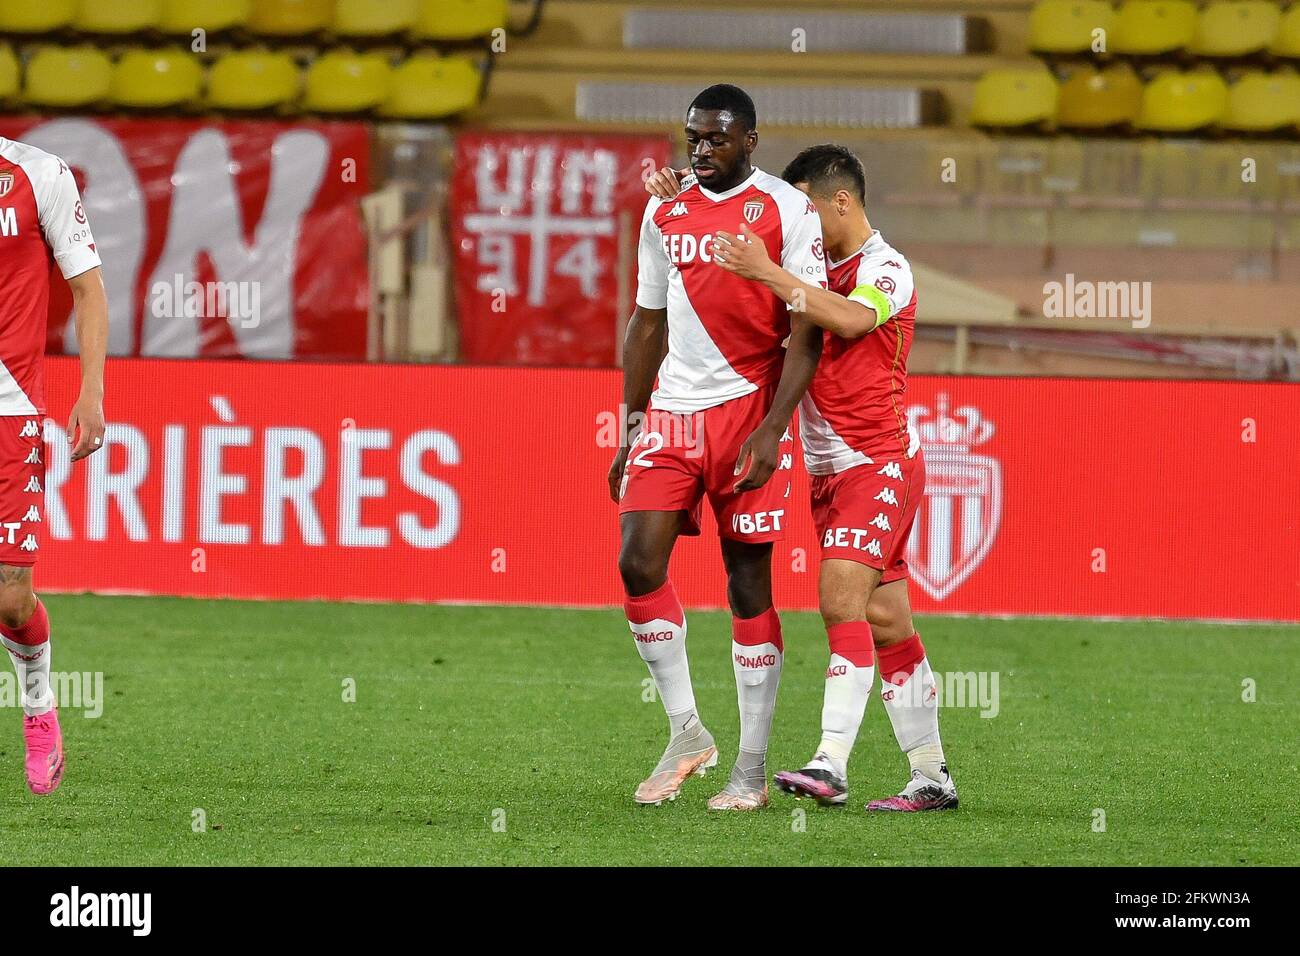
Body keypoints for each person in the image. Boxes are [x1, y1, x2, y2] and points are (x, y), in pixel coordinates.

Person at [644, 144, 957, 811]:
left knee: (839, 600)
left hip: (878, 463)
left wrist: (763, 268)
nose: (800, 223)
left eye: (809, 207)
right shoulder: (802, 265)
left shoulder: (886, 267)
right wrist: (676, 189)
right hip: (826, 471)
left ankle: (831, 763)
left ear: (840, 201)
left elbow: (848, 318)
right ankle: (931, 776)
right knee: (886, 618)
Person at [610, 85, 826, 811]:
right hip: (671, 412)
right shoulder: (663, 209)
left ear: (751, 142)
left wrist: (773, 428)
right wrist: (631, 423)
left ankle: (752, 766)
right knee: (637, 562)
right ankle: (686, 733)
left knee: (746, 584)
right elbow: (646, 321)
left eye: (717, 139)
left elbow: (807, 330)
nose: (701, 151)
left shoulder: (787, 211)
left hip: (748, 413)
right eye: (693, 137)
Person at [0, 136, 109, 794]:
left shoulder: (39, 174)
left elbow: (88, 292)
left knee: (12, 599)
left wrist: (90, 392)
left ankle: (38, 710)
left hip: (10, 412)